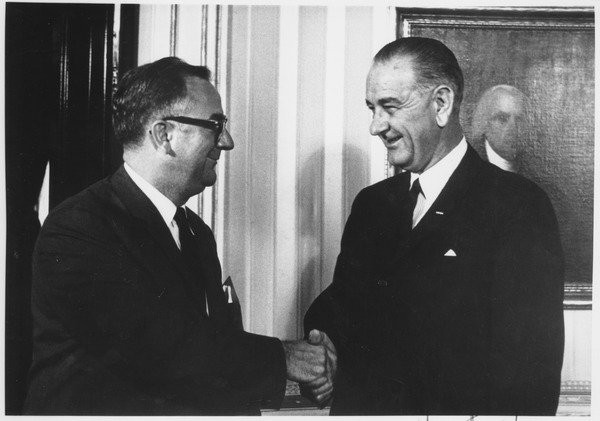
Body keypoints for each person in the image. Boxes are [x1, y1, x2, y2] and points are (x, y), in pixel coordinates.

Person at [24, 57, 333, 415]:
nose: (227, 142)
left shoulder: (195, 232)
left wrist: (298, 373)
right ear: (163, 135)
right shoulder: (78, 228)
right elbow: (157, 350)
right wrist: (284, 357)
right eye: (216, 125)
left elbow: (212, 360)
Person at [304, 37, 564, 415]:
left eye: (390, 107)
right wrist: (321, 343)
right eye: (372, 108)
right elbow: (342, 304)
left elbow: (530, 372)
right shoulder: (372, 204)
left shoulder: (518, 206)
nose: (377, 126)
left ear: (441, 104)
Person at [472, 84, 531, 173]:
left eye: (519, 119)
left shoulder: (535, 170)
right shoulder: (470, 163)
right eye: (502, 119)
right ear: (485, 122)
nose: (512, 128)